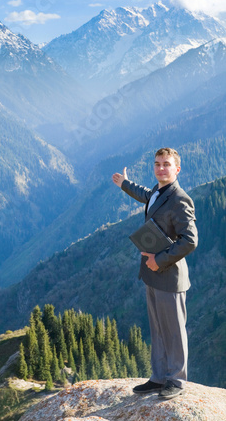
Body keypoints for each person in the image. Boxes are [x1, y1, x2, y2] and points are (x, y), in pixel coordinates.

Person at [112, 147, 198, 400]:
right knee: (158, 328)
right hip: (153, 274)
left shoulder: (180, 199)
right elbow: (147, 196)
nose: (161, 168)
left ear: (176, 169)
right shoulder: (160, 192)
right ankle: (159, 377)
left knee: (174, 330)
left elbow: (190, 240)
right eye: (157, 163)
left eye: (166, 164)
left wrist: (159, 260)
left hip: (169, 275)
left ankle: (176, 379)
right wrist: (125, 184)